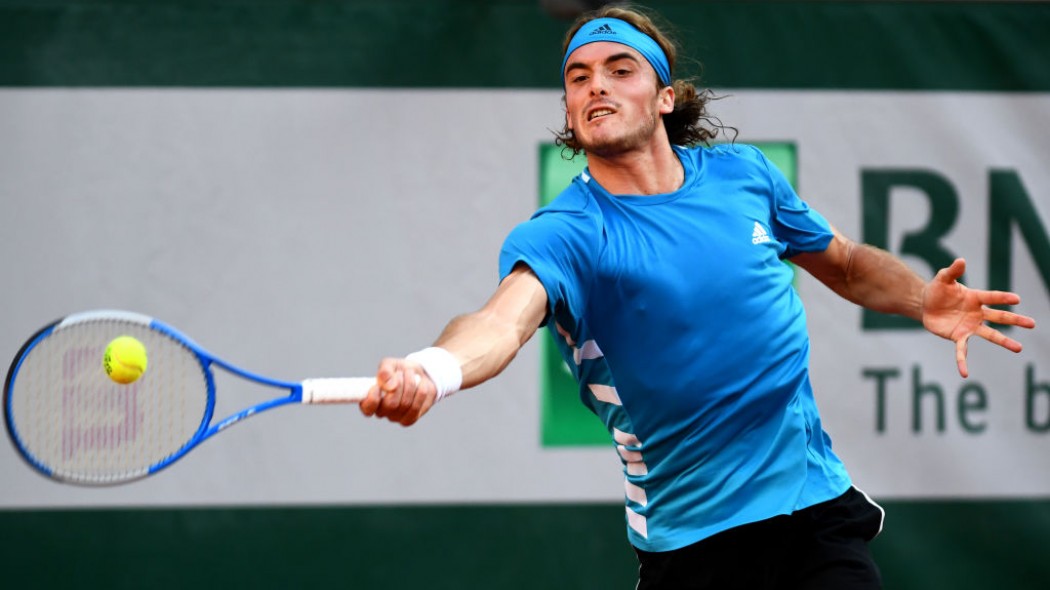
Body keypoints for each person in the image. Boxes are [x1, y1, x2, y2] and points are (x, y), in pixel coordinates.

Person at [358, 5, 1037, 589]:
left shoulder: (746, 177)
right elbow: (499, 322)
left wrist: (922, 299)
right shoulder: (566, 233)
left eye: (620, 69)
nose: (596, 85)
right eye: (578, 77)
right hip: (692, 547)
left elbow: (849, 266)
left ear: (664, 97)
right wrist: (434, 370)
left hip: (813, 513)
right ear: (568, 108)